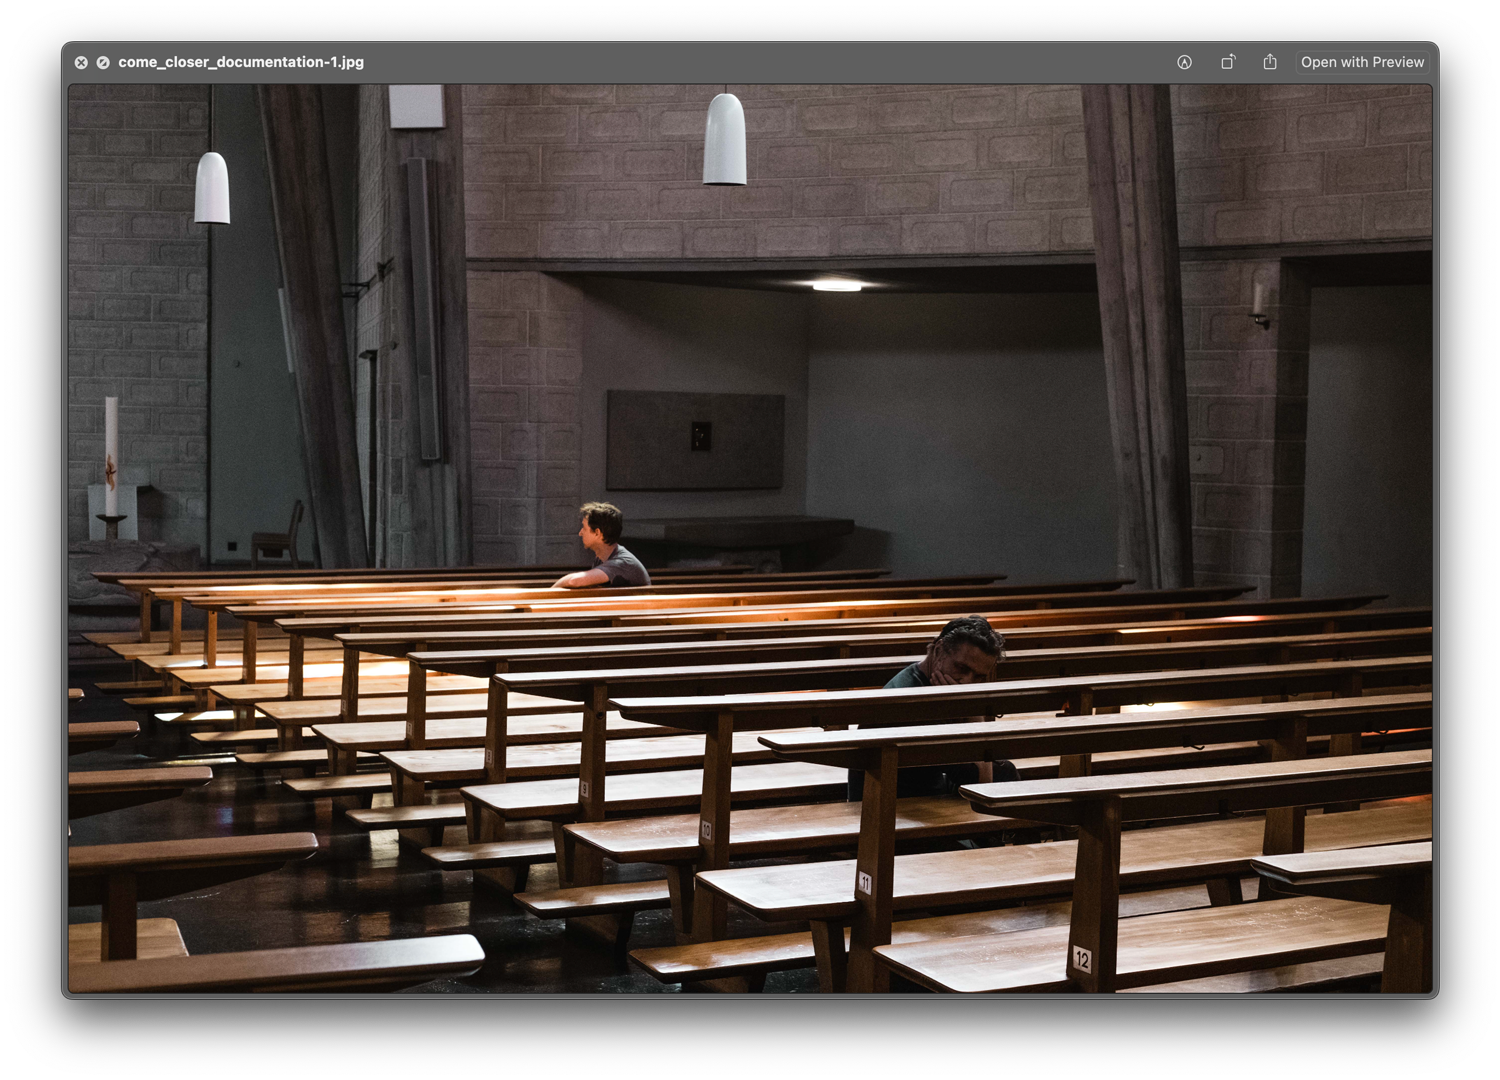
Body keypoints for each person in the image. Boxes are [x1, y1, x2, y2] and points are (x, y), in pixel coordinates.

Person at [848, 615, 1021, 800]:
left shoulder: (922, 679)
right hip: (890, 804)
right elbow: (981, 783)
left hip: (920, 785)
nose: (968, 682)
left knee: (1005, 771)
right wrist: (972, 710)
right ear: (938, 651)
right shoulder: (918, 701)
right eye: (961, 668)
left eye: (978, 677)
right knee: (1002, 777)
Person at [551, 502, 652, 588]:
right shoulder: (602, 558)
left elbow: (575, 580)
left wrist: (550, 593)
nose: (580, 533)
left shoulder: (621, 562)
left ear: (597, 533)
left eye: (584, 528)